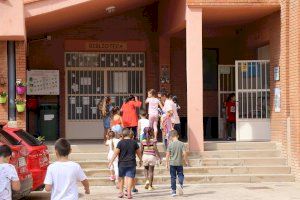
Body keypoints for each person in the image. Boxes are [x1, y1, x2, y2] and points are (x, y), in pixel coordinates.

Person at [109, 128, 142, 199]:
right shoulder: (134, 142)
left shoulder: (120, 142)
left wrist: (110, 162)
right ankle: (129, 193)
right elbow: (138, 153)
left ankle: (121, 192)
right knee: (130, 178)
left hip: (122, 163)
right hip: (131, 163)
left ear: (123, 135)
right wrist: (141, 160)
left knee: (121, 178)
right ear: (130, 135)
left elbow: (115, 153)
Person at [166, 130, 189, 197]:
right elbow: (184, 153)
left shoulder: (170, 144)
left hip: (172, 163)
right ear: (178, 136)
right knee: (180, 174)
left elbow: (167, 155)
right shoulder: (181, 144)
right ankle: (180, 184)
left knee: (173, 177)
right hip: (179, 163)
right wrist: (186, 161)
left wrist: (166, 164)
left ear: (171, 137)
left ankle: (173, 191)